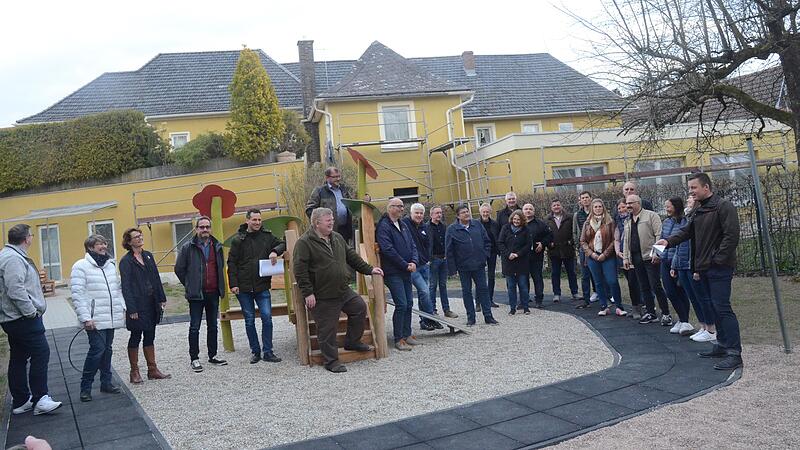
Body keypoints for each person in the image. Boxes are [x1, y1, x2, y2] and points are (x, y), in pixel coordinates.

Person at [657, 172, 742, 370]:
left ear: (706, 187)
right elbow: (687, 232)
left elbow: (731, 236)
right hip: (703, 267)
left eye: (694, 188)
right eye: (690, 188)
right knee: (713, 307)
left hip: (718, 268)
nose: (691, 192)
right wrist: (667, 241)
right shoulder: (700, 209)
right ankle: (721, 344)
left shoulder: (723, 206)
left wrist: (717, 260)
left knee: (722, 308)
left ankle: (734, 353)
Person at [294, 208, 384, 373]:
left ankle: (352, 341)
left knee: (359, 308)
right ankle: (331, 361)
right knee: (327, 329)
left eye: (332, 219)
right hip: (322, 295)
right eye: (328, 220)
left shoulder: (337, 237)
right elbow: (300, 270)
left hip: (342, 290)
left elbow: (352, 257)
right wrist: (308, 293)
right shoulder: (304, 242)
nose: (332, 222)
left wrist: (370, 270)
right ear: (317, 223)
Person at [0, 224, 62, 416]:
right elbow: (15, 289)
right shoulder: (13, 259)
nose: (32, 238)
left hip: (14, 318)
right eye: (31, 235)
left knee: (19, 357)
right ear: (27, 238)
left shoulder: (10, 255)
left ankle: (21, 401)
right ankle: (40, 398)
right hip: (21, 318)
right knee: (41, 353)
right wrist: (30, 312)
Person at [70, 234, 126, 402]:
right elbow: (77, 294)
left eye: (104, 243)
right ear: (90, 247)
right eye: (99, 244)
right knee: (96, 351)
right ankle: (85, 388)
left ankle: (106, 383)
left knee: (107, 350)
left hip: (110, 316)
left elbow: (117, 290)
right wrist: (85, 318)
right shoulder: (80, 266)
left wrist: (122, 308)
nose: (103, 246)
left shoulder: (110, 265)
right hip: (94, 318)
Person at [227, 208, 286, 364]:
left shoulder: (267, 237)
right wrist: (233, 284)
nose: (258, 222)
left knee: (267, 318)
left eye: (259, 220)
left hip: (262, 286)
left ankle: (268, 352)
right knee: (249, 320)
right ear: (247, 221)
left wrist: (274, 251)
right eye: (254, 220)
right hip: (243, 288)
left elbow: (282, 243)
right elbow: (231, 263)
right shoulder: (238, 240)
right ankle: (255, 351)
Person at [174, 216, 228, 373]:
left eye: (207, 227)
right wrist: (190, 284)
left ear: (210, 229)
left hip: (213, 292)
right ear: (196, 229)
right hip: (196, 294)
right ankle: (194, 358)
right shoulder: (187, 247)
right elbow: (179, 269)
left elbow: (220, 267)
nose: (205, 230)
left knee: (213, 326)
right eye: (202, 227)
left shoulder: (217, 246)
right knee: (194, 327)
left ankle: (213, 355)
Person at [119, 227, 170, 383]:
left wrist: (161, 298)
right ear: (129, 241)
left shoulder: (147, 256)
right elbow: (126, 286)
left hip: (151, 302)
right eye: (136, 237)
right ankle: (134, 372)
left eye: (141, 236)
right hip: (137, 304)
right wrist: (131, 308)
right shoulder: (126, 261)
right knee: (136, 335)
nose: (140, 238)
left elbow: (155, 277)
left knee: (150, 334)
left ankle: (152, 369)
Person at [446, 204, 500, 326]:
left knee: (483, 290)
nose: (467, 214)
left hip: (479, 264)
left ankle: (488, 316)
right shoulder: (452, 229)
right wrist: (452, 269)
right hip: (463, 266)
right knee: (467, 292)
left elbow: (487, 241)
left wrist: (484, 255)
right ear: (458, 216)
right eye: (464, 212)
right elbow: (449, 250)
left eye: (467, 211)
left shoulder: (477, 225)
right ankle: (471, 318)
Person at [622, 195, 672, 326]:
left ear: (638, 203)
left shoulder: (651, 216)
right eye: (627, 203)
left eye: (630, 203)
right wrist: (626, 258)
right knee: (643, 286)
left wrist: (657, 253)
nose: (628, 206)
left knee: (655, 285)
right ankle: (651, 312)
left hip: (650, 257)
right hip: (636, 257)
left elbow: (659, 234)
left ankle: (666, 313)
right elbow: (626, 241)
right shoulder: (627, 221)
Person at [378, 198, 419, 350]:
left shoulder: (403, 225)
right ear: (390, 208)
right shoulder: (384, 226)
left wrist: (414, 261)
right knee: (401, 303)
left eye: (403, 207)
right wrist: (404, 264)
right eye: (399, 206)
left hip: (407, 269)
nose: (402, 209)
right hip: (393, 271)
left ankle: (407, 334)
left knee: (409, 303)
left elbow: (412, 245)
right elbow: (388, 250)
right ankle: (398, 338)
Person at [580, 199, 627, 317]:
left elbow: (614, 240)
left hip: (608, 256)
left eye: (600, 206)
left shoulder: (610, 222)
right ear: (592, 208)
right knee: (598, 282)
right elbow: (583, 241)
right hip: (592, 257)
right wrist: (592, 254)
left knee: (612, 281)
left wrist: (604, 254)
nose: (598, 208)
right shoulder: (587, 223)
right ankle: (603, 306)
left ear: (603, 208)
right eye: (595, 207)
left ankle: (619, 306)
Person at [682, 195, 717, 342]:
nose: (688, 201)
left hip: (698, 263)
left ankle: (711, 329)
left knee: (704, 298)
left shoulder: (699, 217)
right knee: (696, 298)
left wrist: (697, 268)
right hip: (688, 262)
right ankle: (703, 326)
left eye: (690, 200)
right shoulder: (690, 217)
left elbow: (698, 245)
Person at [659, 197, 696, 336]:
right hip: (665, 260)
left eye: (669, 206)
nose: (666, 209)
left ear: (676, 207)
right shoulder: (667, 222)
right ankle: (681, 319)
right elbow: (662, 238)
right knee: (670, 291)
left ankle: (685, 320)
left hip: (677, 260)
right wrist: (656, 254)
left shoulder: (684, 222)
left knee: (680, 291)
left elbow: (682, 241)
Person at [402, 203, 440, 330]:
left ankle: (424, 321)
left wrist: (428, 259)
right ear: (411, 213)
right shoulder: (405, 225)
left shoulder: (424, 227)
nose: (419, 215)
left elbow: (428, 244)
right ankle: (431, 318)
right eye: (416, 213)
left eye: (421, 213)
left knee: (423, 293)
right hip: (413, 266)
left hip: (424, 265)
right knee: (425, 290)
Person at [305, 167, 354, 242]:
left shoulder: (344, 189)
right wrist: (320, 224)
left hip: (345, 229)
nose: (338, 179)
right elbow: (310, 210)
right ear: (327, 177)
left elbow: (356, 200)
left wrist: (367, 197)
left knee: (343, 251)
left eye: (339, 176)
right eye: (335, 177)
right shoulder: (320, 191)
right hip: (328, 231)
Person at [545, 199, 579, 303]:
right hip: (554, 250)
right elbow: (544, 234)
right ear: (551, 207)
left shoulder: (570, 217)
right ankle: (556, 294)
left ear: (561, 206)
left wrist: (572, 242)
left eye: (558, 205)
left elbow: (575, 231)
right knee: (555, 273)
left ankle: (575, 292)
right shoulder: (547, 219)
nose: (556, 207)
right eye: (554, 205)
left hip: (568, 249)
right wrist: (548, 243)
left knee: (571, 272)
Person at [497, 211, 531, 315]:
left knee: (523, 286)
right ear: (512, 219)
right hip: (508, 262)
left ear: (522, 220)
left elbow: (528, 245)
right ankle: (512, 308)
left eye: (518, 219)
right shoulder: (505, 228)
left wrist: (518, 254)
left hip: (521, 262)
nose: (516, 221)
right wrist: (508, 254)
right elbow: (500, 243)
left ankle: (525, 307)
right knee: (511, 286)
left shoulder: (526, 230)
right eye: (514, 219)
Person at [614, 198, 643, 319]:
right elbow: (616, 238)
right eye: (619, 208)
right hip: (623, 254)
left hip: (634, 254)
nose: (622, 210)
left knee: (637, 281)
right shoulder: (618, 221)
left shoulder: (633, 219)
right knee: (631, 282)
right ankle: (635, 306)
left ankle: (641, 306)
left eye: (624, 206)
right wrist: (617, 251)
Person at [427, 205, 456, 318]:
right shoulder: (426, 227)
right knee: (432, 285)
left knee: (443, 285)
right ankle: (432, 309)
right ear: (431, 215)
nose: (439, 215)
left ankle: (446, 309)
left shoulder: (444, 227)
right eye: (437, 213)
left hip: (444, 259)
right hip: (433, 259)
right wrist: (428, 258)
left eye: (440, 213)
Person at [522, 203, 551, 309]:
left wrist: (542, 243)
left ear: (534, 211)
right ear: (523, 211)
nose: (528, 211)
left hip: (536, 256)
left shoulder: (540, 224)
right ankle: (524, 300)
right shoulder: (518, 223)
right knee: (523, 279)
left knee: (537, 278)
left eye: (530, 209)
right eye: (526, 209)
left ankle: (539, 300)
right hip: (522, 257)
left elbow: (549, 235)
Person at [573, 191, 598, 307]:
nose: (585, 200)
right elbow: (575, 231)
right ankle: (586, 299)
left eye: (587, 197)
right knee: (585, 274)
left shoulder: (597, 212)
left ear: (591, 198)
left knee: (598, 273)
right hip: (584, 248)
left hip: (597, 247)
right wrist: (579, 245)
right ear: (580, 200)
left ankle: (601, 294)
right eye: (583, 198)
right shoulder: (577, 215)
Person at [479, 203, 501, 309]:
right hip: (480, 253)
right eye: (483, 211)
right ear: (480, 212)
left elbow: (498, 238)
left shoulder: (495, 224)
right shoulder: (475, 224)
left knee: (491, 277)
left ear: (490, 212)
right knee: (479, 277)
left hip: (492, 252)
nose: (485, 213)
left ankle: (490, 300)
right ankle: (478, 302)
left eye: (487, 211)